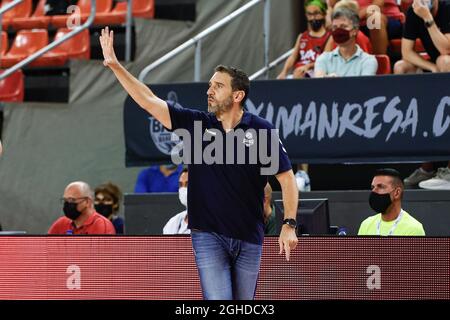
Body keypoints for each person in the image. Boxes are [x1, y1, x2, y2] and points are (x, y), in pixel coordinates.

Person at [100, 27, 299, 300]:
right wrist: (115, 66)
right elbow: (148, 101)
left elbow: (286, 178)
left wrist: (289, 223)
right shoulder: (196, 124)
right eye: (209, 85)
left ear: (238, 95)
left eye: (218, 86)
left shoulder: (260, 130)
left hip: (249, 235)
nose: (209, 91)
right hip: (208, 235)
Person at [358, 168, 425, 236]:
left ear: (397, 193)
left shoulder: (413, 228)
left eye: (380, 187)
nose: (374, 191)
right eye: (373, 187)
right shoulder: (366, 224)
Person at [315, 6, 378, 77]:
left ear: (355, 30)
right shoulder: (323, 59)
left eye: (343, 26)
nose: (338, 31)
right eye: (335, 27)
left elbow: (364, 87)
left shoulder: (368, 61)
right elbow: (319, 85)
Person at [277, 0, 331, 79]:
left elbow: (326, 60)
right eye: (309, 14)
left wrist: (307, 67)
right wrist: (284, 72)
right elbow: (293, 57)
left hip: (317, 74)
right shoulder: (302, 36)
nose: (313, 18)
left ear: (324, 14)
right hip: (298, 73)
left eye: (316, 13)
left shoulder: (329, 37)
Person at [393, 0, 450, 74]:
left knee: (443, 61)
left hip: (446, 59)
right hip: (435, 62)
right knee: (400, 66)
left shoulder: (447, 8)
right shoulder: (413, 11)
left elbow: (446, 50)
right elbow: (406, 52)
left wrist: (427, 17)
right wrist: (432, 67)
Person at [48, 181, 116, 235]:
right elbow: (46, 248)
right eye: (65, 200)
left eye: (72, 200)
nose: (67, 204)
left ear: (87, 202)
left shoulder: (102, 225)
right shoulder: (61, 223)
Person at [163, 167, 190, 234]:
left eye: (188, 184)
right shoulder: (173, 223)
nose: (183, 189)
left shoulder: (214, 222)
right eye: (181, 185)